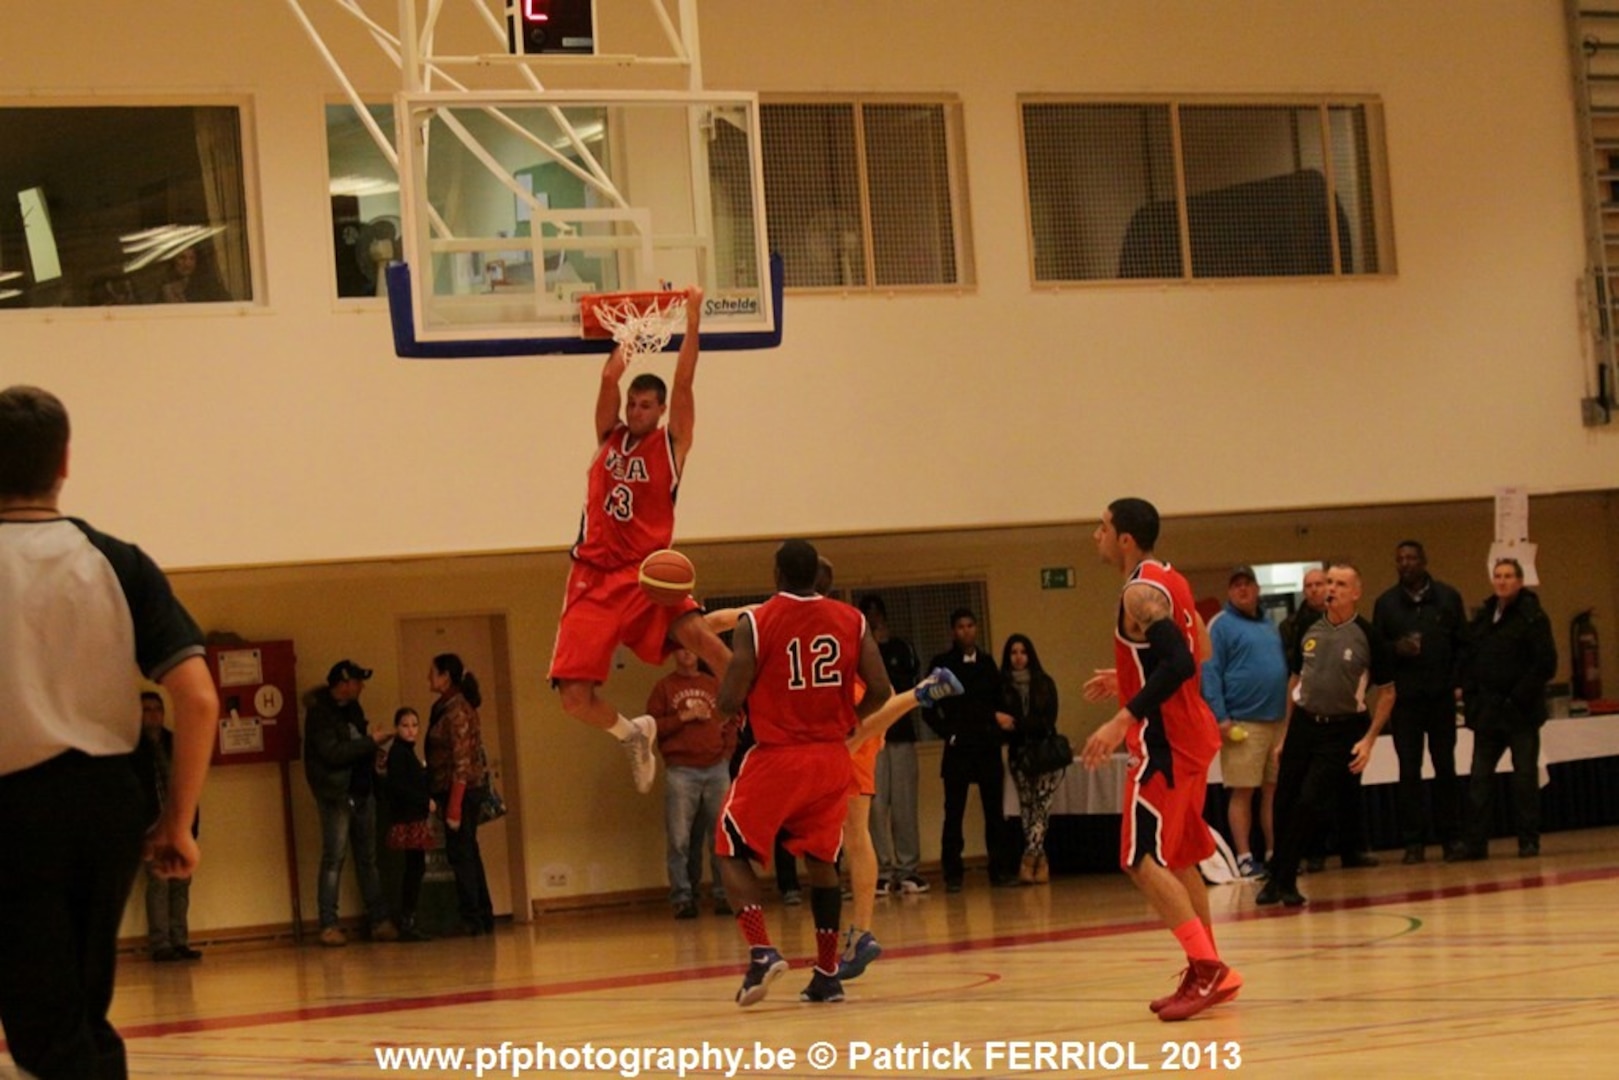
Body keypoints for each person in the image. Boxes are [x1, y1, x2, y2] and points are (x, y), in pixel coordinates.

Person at [0, 385, 216, 1079]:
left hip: (9, 809)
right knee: (76, 1012)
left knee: (48, 1028)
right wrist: (178, 822)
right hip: (103, 804)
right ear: (65, 460)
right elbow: (198, 699)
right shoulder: (116, 560)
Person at [548, 289, 734, 794]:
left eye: (645, 404)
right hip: (591, 575)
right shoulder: (609, 435)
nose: (635, 409)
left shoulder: (672, 446)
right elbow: (609, 377)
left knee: (700, 639)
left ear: (662, 409)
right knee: (574, 699)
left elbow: (685, 378)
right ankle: (632, 734)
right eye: (633, 402)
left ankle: (758, 712)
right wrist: (630, 334)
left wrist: (691, 323)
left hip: (644, 574)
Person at [713, 539, 893, 1007]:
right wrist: (851, 723)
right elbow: (879, 687)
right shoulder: (851, 620)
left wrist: (726, 708)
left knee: (729, 847)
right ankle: (827, 974)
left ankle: (760, 950)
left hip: (778, 754)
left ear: (776, 573)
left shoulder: (758, 619)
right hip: (831, 756)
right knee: (822, 862)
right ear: (815, 575)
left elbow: (730, 698)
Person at [1080, 497, 1236, 1023]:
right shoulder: (1171, 578)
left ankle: (1206, 967)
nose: (1094, 535)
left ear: (1125, 538)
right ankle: (1210, 966)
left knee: (1138, 859)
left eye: (1101, 528)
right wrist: (1125, 675)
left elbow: (1181, 660)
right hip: (1193, 735)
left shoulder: (1140, 592)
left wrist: (1123, 716)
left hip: (1166, 744)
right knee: (1182, 857)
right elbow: (1200, 650)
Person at [1258, 561, 1397, 908]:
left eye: (1338, 584)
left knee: (1309, 800)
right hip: (1304, 723)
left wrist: (1368, 739)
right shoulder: (1308, 628)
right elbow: (1295, 681)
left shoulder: (1368, 634)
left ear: (1355, 592)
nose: (1331, 589)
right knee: (1284, 799)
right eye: (1328, 582)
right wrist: (1286, 734)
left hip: (1342, 729)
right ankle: (1277, 879)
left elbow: (1388, 692)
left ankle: (1284, 878)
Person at [1456, 558, 1558, 860]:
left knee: (1524, 779)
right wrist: (1472, 700)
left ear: (1520, 580)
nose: (1502, 581)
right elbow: (1471, 660)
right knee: (1479, 779)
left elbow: (1545, 664)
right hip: (1487, 713)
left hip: (1520, 713)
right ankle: (1476, 843)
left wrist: (1517, 698)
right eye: (1498, 576)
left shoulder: (1533, 617)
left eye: (1508, 576)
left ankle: (1528, 841)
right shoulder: (1485, 617)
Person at [1372, 540, 1466, 864]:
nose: (1406, 564)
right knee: (1408, 771)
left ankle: (1451, 838)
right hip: (1406, 702)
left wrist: (1455, 683)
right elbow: (1377, 652)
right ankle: (1414, 842)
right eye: (1400, 559)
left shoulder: (1448, 598)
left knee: (1445, 768)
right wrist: (1396, 649)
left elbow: (1462, 646)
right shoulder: (1386, 604)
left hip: (1441, 698)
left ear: (1424, 561)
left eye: (1411, 558)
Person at [1201, 565, 1289, 879]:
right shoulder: (1221, 625)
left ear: (1257, 589)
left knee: (1273, 790)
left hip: (1276, 721)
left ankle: (1274, 852)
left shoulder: (1269, 624)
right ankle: (1244, 857)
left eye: (1247, 584)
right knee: (1243, 791)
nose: (1242, 590)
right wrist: (1221, 718)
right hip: (1242, 724)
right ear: (1229, 592)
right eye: (1236, 585)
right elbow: (1209, 672)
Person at [304, 659, 396, 947]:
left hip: (362, 790)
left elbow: (356, 746)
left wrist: (374, 751)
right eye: (358, 681)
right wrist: (372, 742)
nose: (362, 686)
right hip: (336, 796)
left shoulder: (354, 709)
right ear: (343, 684)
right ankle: (328, 924)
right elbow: (333, 754)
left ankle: (379, 920)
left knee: (367, 858)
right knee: (334, 858)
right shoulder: (319, 714)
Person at [926, 608, 1017, 891]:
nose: (966, 631)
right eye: (960, 627)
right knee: (954, 812)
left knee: (994, 813)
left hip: (987, 746)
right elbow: (928, 707)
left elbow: (996, 702)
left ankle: (999, 871)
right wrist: (947, 733)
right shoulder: (942, 665)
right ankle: (952, 874)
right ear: (953, 631)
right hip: (959, 748)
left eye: (970, 625)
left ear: (976, 629)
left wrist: (996, 723)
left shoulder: (988, 663)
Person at [648, 648, 734, 918]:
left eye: (691, 648)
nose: (687, 653)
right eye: (681, 649)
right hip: (681, 770)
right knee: (679, 839)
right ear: (674, 654)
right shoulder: (664, 688)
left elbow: (731, 721)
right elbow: (651, 727)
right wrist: (683, 717)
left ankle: (723, 894)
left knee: (720, 837)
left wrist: (726, 753)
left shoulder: (714, 684)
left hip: (716, 767)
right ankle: (683, 897)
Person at [858, 594, 928, 896]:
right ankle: (882, 871)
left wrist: (883, 646)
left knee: (904, 806)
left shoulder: (902, 648)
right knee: (874, 807)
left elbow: (904, 686)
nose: (874, 619)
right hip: (871, 740)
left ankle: (908, 869)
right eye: (868, 614)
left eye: (877, 613)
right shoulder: (858, 652)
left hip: (901, 737)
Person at [427, 653, 496, 936]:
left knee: (462, 854)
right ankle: (481, 913)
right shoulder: (444, 706)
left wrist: (454, 805)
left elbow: (462, 761)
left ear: (446, 676)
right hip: (454, 789)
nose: (428, 678)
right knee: (467, 851)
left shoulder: (457, 711)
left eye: (432, 672)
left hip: (462, 791)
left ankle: (473, 917)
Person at [133, 691, 202, 962]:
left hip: (181, 826)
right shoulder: (132, 748)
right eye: (146, 709)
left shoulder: (175, 743)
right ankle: (160, 944)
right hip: (152, 826)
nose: (153, 714)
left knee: (181, 885)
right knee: (159, 884)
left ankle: (180, 940)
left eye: (157, 709)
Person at [996, 634, 1063, 885]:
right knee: (1027, 807)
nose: (1018, 657)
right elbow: (1002, 724)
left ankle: (1029, 859)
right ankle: (1040, 861)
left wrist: (1018, 724)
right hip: (1018, 755)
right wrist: (1013, 725)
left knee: (1042, 807)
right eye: (1013, 652)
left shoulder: (1045, 683)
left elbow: (1047, 721)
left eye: (1023, 651)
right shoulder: (1002, 686)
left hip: (1044, 753)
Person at [380, 707, 436, 942]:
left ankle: (408, 918)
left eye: (414, 725)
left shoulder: (406, 753)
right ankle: (408, 920)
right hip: (408, 818)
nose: (411, 730)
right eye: (405, 725)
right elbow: (400, 788)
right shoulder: (399, 754)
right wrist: (426, 801)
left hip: (413, 816)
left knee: (415, 868)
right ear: (397, 728)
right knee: (414, 869)